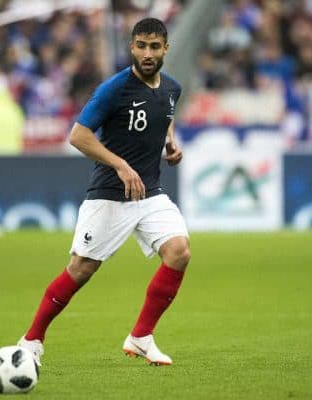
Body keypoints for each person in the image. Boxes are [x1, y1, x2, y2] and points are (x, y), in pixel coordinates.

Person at [17, 17, 191, 366]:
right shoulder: (114, 88)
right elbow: (78, 135)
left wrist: (170, 142)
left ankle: (141, 336)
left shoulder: (172, 88)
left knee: (179, 251)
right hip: (110, 194)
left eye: (154, 46)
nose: (147, 53)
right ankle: (32, 339)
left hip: (150, 193)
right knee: (80, 269)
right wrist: (121, 165)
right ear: (131, 47)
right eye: (140, 46)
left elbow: (164, 117)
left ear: (165, 49)